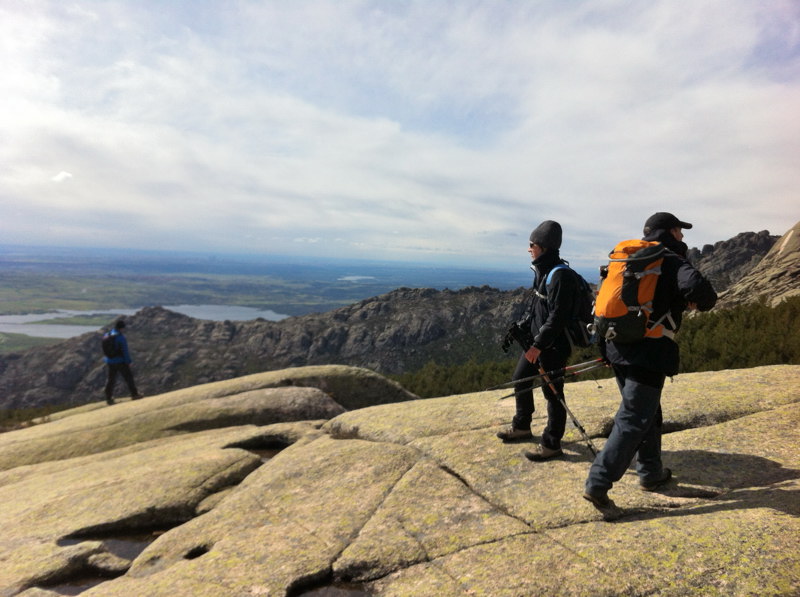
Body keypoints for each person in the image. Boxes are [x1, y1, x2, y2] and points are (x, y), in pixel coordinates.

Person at [583, 212, 717, 508]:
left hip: (617, 346)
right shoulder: (669, 259)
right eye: (680, 232)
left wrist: (604, 351)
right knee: (633, 418)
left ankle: (651, 472)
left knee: (647, 412)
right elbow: (702, 291)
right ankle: (598, 483)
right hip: (650, 351)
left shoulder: (627, 260)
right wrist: (695, 302)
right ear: (671, 231)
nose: (683, 237)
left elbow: (604, 309)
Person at [497, 220, 583, 461]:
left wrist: (538, 345)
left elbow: (558, 317)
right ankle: (522, 426)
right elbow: (539, 309)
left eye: (532, 244)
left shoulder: (560, 275)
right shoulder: (544, 271)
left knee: (553, 392)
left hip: (552, 346)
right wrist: (525, 329)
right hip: (536, 343)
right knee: (520, 379)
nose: (529, 249)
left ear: (543, 247)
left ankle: (552, 443)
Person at [103, 319, 142, 405]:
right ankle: (134, 394)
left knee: (111, 379)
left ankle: (108, 398)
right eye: (123, 328)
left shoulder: (106, 335)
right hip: (120, 361)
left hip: (110, 361)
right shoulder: (120, 337)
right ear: (121, 328)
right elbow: (125, 351)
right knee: (128, 378)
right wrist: (128, 361)